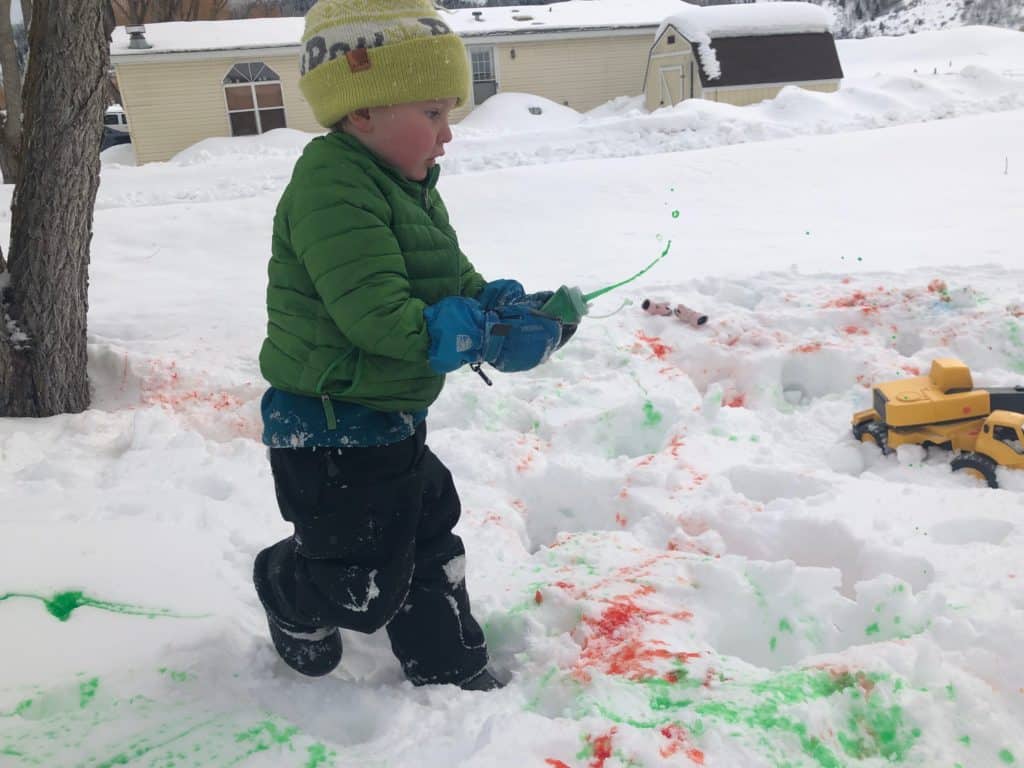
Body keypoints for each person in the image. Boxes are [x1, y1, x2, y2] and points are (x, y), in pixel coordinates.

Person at [252, 0, 574, 691]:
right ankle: (287, 585)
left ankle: (448, 663)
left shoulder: (408, 183)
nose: (447, 134)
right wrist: (470, 333)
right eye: (432, 114)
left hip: (387, 415)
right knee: (359, 579)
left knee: (427, 533)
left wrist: (500, 306)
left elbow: (445, 276)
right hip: (326, 428)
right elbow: (380, 319)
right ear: (363, 111)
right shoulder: (330, 187)